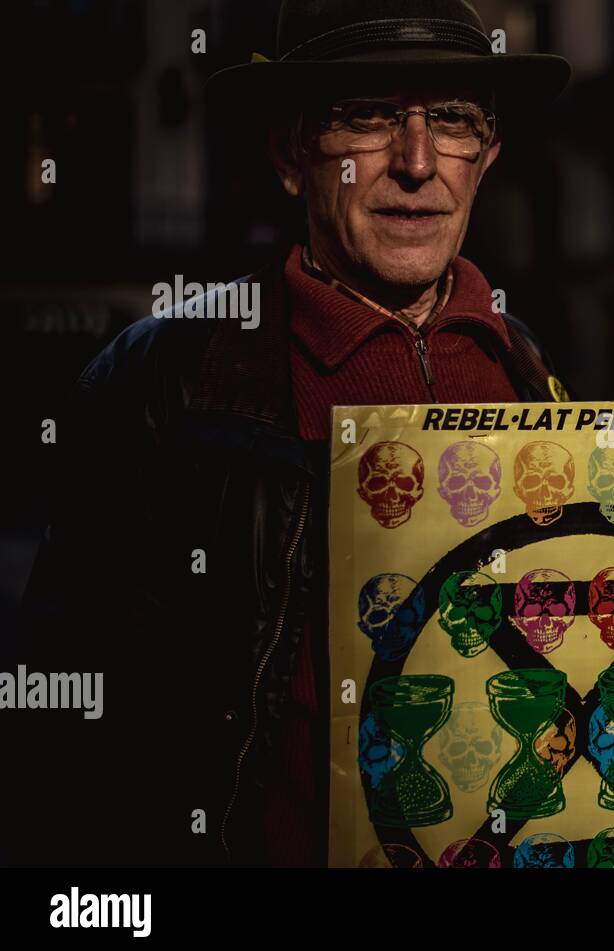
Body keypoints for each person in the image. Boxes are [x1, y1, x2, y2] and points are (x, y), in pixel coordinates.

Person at [10, 0, 571, 866]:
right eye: (368, 116)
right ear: (290, 155)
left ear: (486, 157)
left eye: (452, 120)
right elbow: (68, 738)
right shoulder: (169, 383)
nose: (417, 163)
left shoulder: (533, 373)